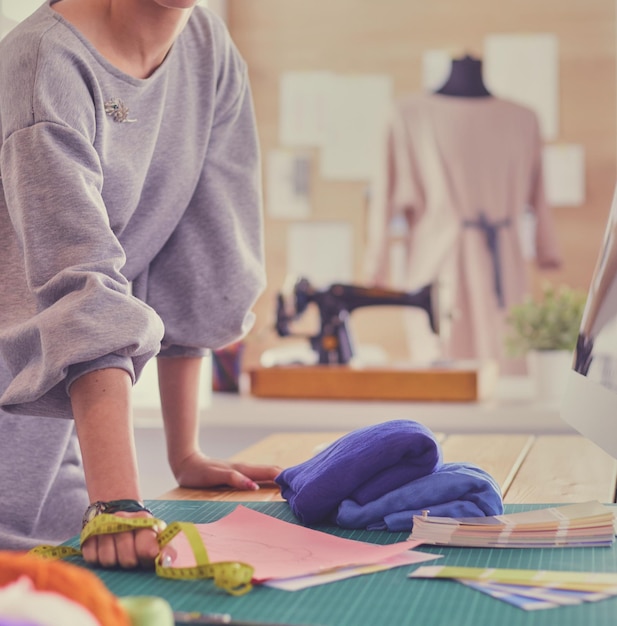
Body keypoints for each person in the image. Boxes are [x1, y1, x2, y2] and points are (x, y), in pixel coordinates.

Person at [0, 0, 281, 568]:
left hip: (60, 480)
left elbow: (201, 263)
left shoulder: (207, 49)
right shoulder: (44, 63)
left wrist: (186, 454)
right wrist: (118, 501)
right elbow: (83, 291)